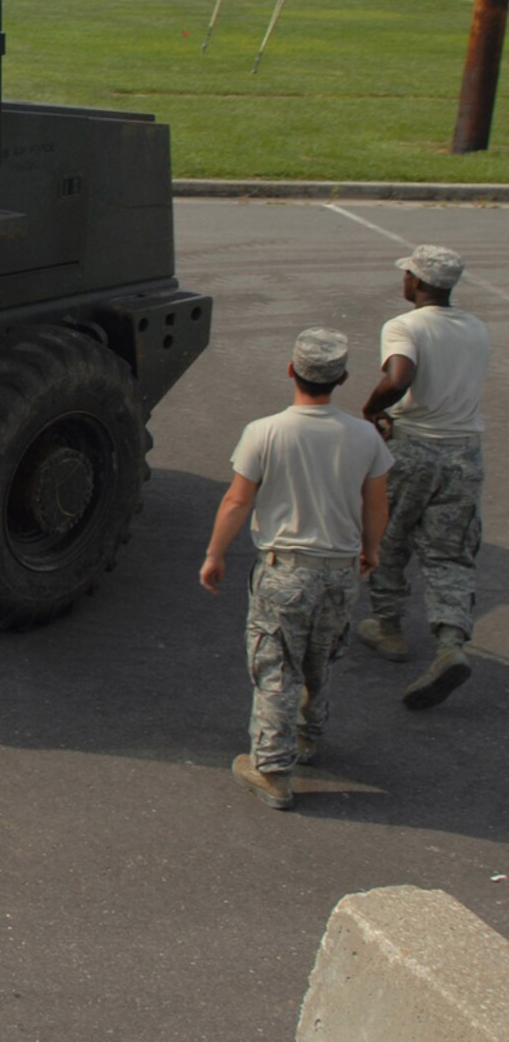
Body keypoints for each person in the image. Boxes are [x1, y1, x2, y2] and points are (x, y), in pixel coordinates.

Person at [201, 327, 391, 811]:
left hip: (284, 570)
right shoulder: (365, 436)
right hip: (340, 569)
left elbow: (237, 500)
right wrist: (371, 550)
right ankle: (307, 739)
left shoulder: (265, 431)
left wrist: (215, 554)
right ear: (343, 377)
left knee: (275, 666)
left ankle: (272, 769)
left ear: (291, 370)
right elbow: (375, 505)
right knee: (320, 657)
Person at [358, 245, 491, 709]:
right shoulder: (476, 327)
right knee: (450, 553)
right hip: (465, 456)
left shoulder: (405, 326)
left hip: (415, 447)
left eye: (407, 274)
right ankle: (451, 641)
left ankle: (388, 627)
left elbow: (398, 377)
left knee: (389, 537)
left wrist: (374, 408)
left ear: (416, 281)